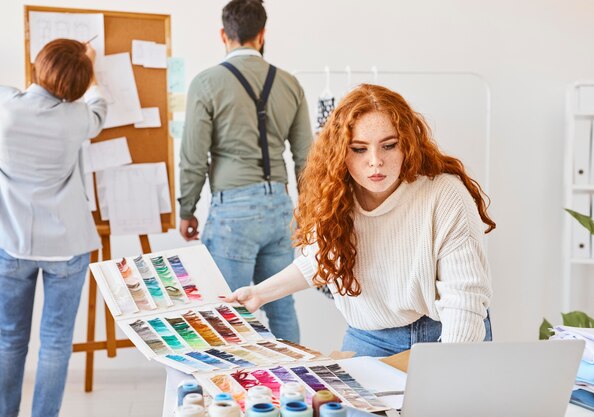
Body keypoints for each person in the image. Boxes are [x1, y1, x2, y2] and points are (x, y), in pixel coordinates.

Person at [224, 84, 495, 357]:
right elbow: (319, 259)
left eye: (389, 145)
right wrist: (259, 294)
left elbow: (465, 300)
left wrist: (448, 370)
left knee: (442, 399)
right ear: (341, 152)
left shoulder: (444, 195)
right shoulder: (335, 194)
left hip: (444, 329)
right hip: (371, 335)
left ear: (408, 144)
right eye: (359, 149)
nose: (375, 161)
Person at [0, 39, 106, 417]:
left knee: (11, 339)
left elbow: (24, 88)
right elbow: (99, 108)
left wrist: (58, 64)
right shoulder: (77, 117)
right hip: (66, 247)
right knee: (56, 344)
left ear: (38, 64)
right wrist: (88, 69)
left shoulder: (3, 104)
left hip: (11, 243)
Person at [179, 0, 312, 343]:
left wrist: (187, 209)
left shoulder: (206, 83)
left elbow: (193, 157)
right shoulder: (290, 84)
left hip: (234, 211)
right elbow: (306, 157)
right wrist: (311, 212)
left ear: (224, 35)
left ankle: (231, 393)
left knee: (226, 309)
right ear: (262, 34)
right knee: (282, 305)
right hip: (281, 210)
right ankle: (293, 386)